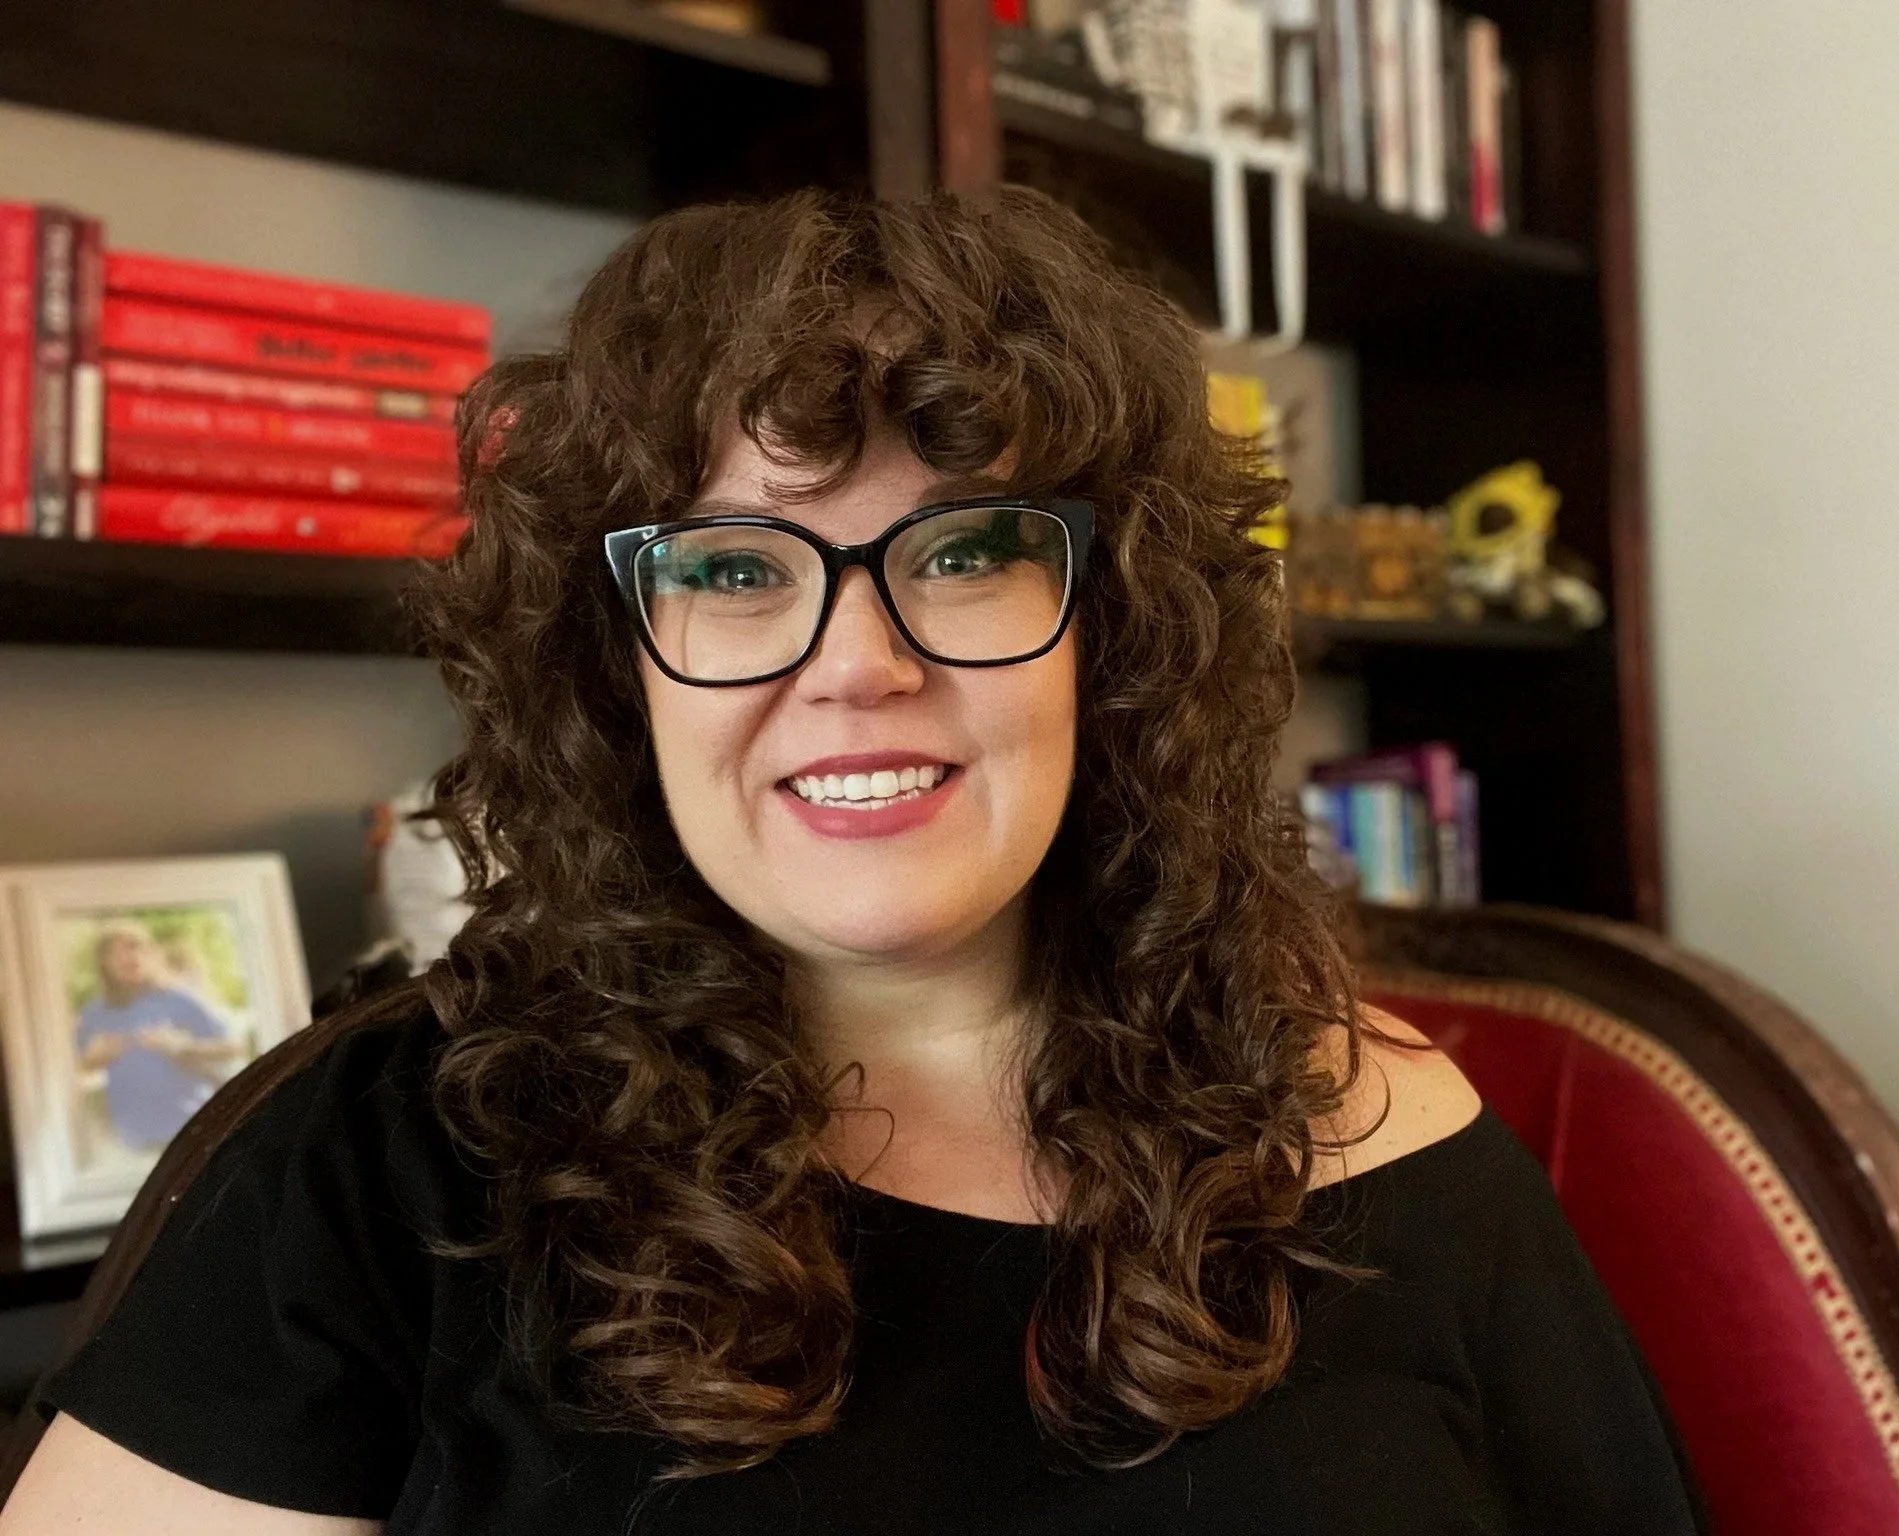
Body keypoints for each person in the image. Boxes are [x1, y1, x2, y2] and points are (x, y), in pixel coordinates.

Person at [0, 188, 1705, 1535]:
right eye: (735, 568)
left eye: (959, 549)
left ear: (1107, 637)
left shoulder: (1394, 1144)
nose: (853, 662)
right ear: (618, 668)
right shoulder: (373, 1177)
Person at [72, 922, 240, 1152]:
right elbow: (78, 1069)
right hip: (131, 1140)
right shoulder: (94, 1013)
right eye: (117, 952)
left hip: (193, 1131)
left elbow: (233, 1048)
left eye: (135, 948)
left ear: (150, 954)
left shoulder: (178, 998)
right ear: (105, 963)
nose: (129, 957)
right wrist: (95, 1058)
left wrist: (183, 1047)